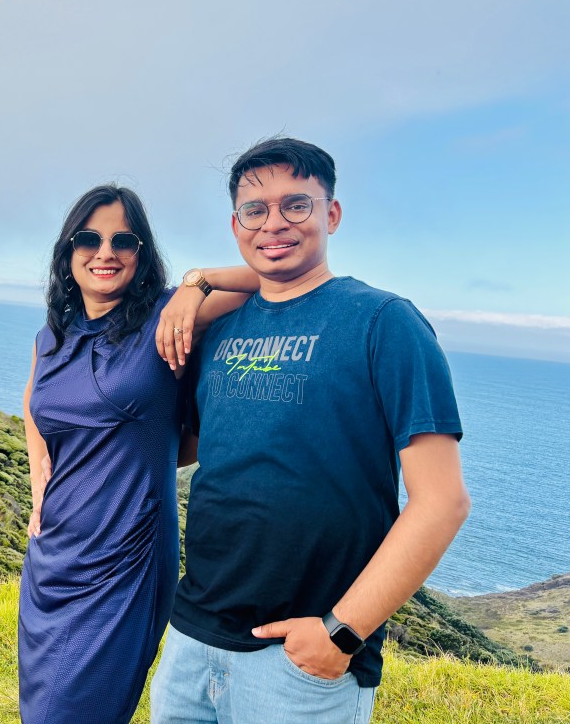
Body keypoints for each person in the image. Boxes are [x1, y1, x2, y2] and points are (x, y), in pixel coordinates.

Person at [149, 137, 471, 724]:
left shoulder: (384, 322)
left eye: (296, 205)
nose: (274, 223)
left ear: (332, 214)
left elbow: (442, 501)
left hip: (301, 661)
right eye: (255, 210)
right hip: (192, 636)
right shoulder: (220, 329)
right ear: (236, 224)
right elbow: (184, 448)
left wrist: (341, 633)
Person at [19, 185, 257, 724]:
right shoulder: (50, 336)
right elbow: (34, 399)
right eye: (89, 239)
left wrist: (196, 284)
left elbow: (270, 278)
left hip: (124, 556)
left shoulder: (166, 316)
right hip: (53, 555)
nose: (105, 252)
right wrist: (38, 473)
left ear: (141, 253)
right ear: (68, 251)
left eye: (122, 240)